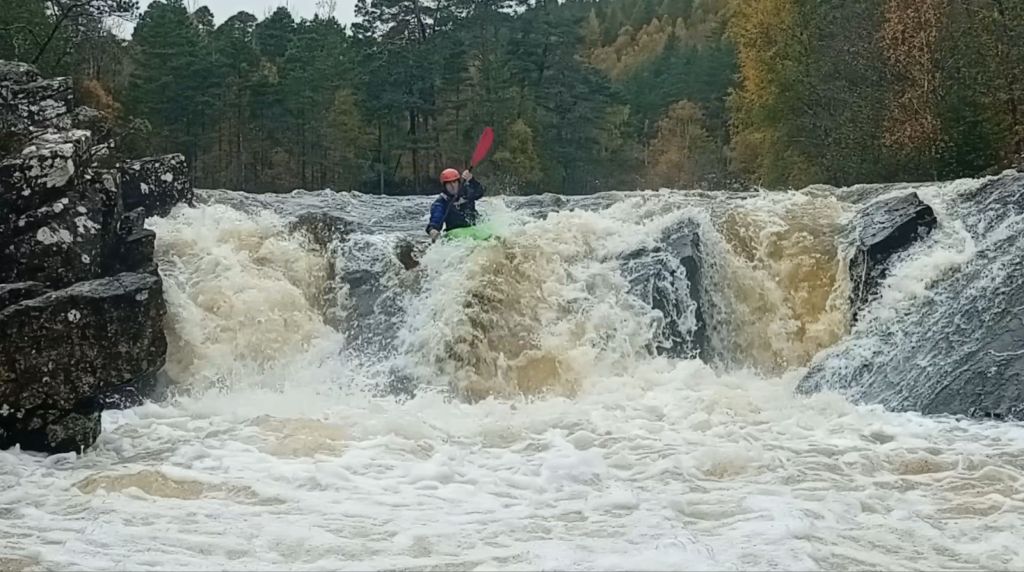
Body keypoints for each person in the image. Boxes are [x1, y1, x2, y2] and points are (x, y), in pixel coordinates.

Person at [425, 167, 485, 242]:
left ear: (458, 183)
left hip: (475, 228)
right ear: (444, 186)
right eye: (449, 183)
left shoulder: (466, 192)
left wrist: (472, 180)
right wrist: (433, 230)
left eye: (454, 182)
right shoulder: (441, 202)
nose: (453, 186)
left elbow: (479, 192)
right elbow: (436, 218)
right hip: (455, 233)